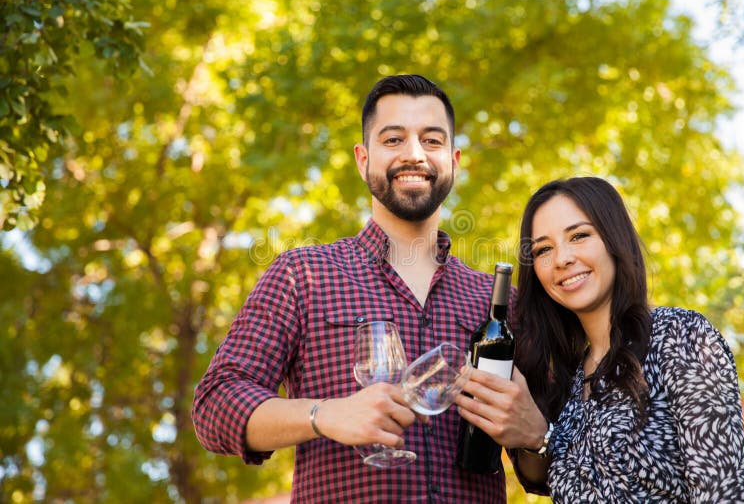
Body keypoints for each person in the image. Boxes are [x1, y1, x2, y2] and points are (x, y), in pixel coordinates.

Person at [192, 74, 508, 502]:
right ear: (363, 159)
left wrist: (533, 431)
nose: (414, 154)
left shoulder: (495, 302)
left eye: (431, 141)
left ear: (454, 161)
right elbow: (215, 406)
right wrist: (324, 414)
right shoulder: (302, 275)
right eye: (393, 140)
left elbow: (553, 458)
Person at [454, 176, 744, 502]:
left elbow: (726, 493)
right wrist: (538, 438)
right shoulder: (568, 386)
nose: (562, 259)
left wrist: (542, 437)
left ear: (614, 240)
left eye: (579, 236)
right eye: (544, 249)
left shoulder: (682, 337)